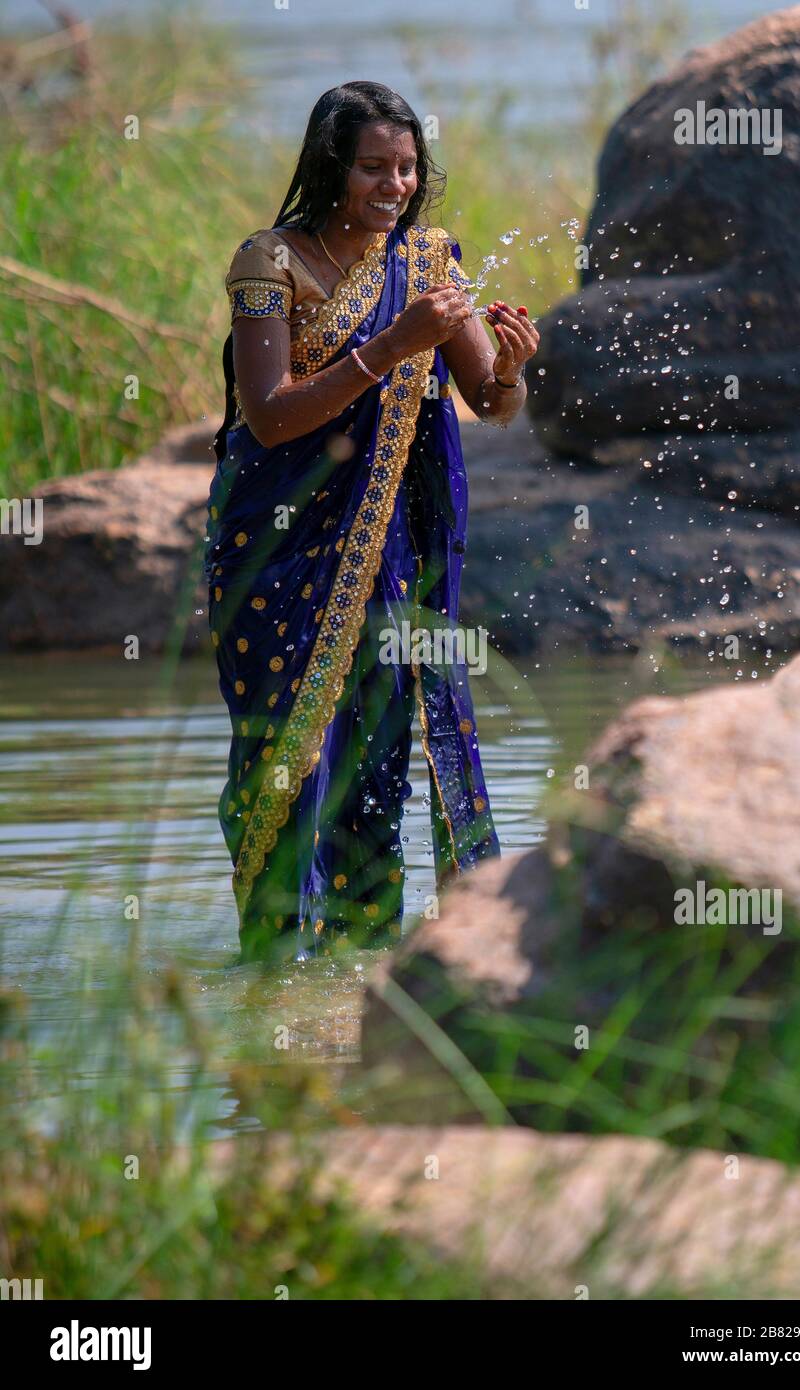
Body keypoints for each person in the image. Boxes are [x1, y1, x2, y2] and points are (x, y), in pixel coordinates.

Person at [204, 80, 539, 961]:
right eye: (372, 169)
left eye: (407, 168)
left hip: (392, 546)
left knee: (383, 746)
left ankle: (358, 962)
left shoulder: (429, 261)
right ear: (331, 167)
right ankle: (273, 961)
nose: (393, 186)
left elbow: (489, 403)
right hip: (277, 549)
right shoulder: (267, 263)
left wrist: (508, 368)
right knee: (285, 748)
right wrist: (391, 346)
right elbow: (270, 414)